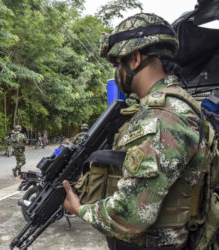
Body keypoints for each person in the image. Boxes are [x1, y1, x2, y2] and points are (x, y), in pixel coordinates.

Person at [62, 13, 208, 250]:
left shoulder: (161, 118)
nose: (117, 72)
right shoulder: (176, 106)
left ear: (136, 58)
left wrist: (79, 209)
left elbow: (129, 215)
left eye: (118, 63)